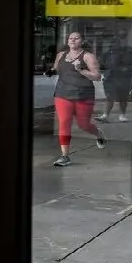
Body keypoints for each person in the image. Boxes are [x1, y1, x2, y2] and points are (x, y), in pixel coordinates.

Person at [51, 32, 106, 166]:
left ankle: (99, 134)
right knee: (64, 122)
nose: (73, 40)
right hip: (62, 94)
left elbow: (97, 77)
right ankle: (65, 156)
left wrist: (81, 70)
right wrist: (50, 71)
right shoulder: (61, 55)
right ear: (67, 41)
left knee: (84, 125)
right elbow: (56, 69)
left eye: (77, 38)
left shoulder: (88, 57)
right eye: (71, 38)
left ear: (82, 41)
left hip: (83, 95)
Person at [95, 37, 132, 122]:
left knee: (123, 97)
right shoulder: (108, 53)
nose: (116, 45)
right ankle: (105, 115)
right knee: (109, 97)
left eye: (119, 43)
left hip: (125, 78)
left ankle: (122, 115)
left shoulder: (130, 53)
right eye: (114, 43)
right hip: (110, 78)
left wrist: (128, 69)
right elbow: (101, 64)